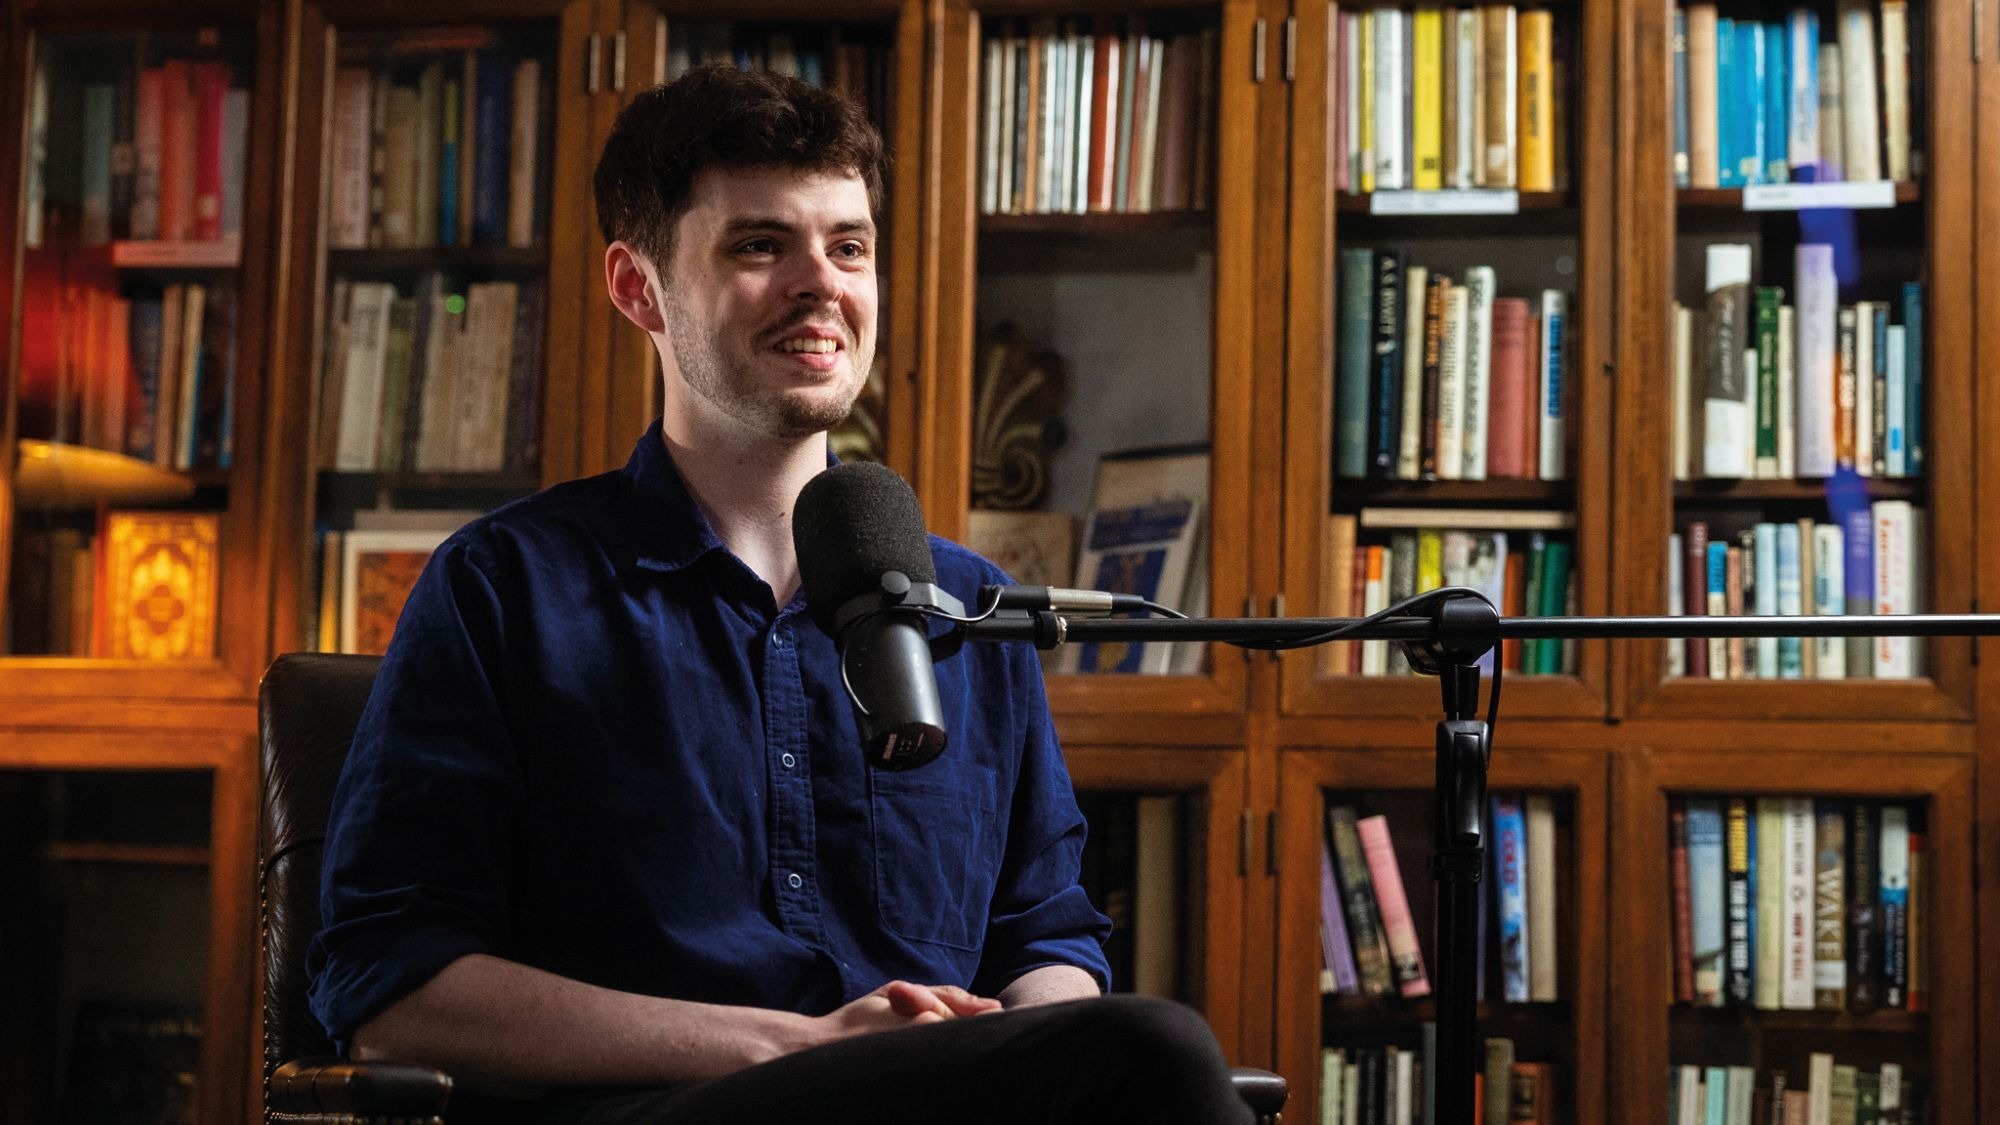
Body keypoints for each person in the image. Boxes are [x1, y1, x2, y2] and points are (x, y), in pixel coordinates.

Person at [305, 65, 1253, 1125]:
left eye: (849, 247)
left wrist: (1021, 1045)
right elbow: (390, 987)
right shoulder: (503, 588)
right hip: (647, 1112)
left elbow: (1044, 937)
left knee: (1136, 1053)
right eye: (761, 246)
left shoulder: (970, 606)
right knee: (1158, 1047)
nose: (821, 284)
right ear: (638, 288)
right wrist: (798, 1048)